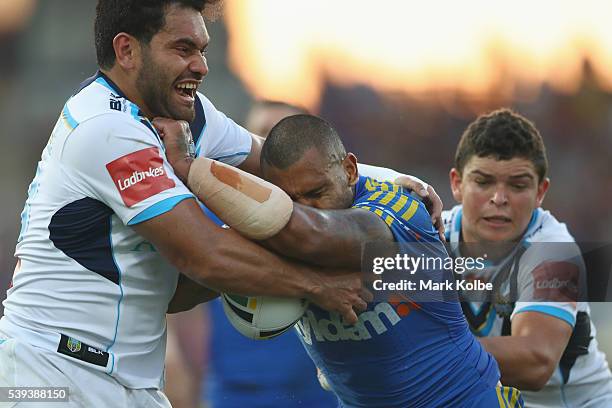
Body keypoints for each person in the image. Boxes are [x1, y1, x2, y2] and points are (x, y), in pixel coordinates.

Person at [0, 1, 442, 406]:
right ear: (127, 50)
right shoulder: (105, 128)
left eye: (203, 49)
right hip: (47, 375)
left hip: (121, 382)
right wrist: (317, 284)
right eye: (183, 48)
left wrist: (393, 181)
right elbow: (204, 255)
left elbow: (279, 162)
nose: (201, 66)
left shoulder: (187, 114)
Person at [163, 113, 524, 407]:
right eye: (290, 200)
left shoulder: (401, 210)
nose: (306, 208)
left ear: (350, 170)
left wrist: (191, 168)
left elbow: (317, 235)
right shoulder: (284, 228)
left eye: (317, 192)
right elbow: (181, 293)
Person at [164, 101, 337, 408]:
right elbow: (176, 308)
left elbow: (403, 277)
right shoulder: (203, 216)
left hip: (318, 396)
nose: (272, 152)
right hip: (233, 395)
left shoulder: (336, 220)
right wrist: (179, 367)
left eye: (286, 140)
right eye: (261, 137)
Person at [443, 108, 612, 407]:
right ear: (457, 183)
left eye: (518, 185)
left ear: (540, 192)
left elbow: (535, 361)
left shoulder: (553, 249)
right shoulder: (430, 237)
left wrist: (425, 353)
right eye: (483, 182)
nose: (499, 199)